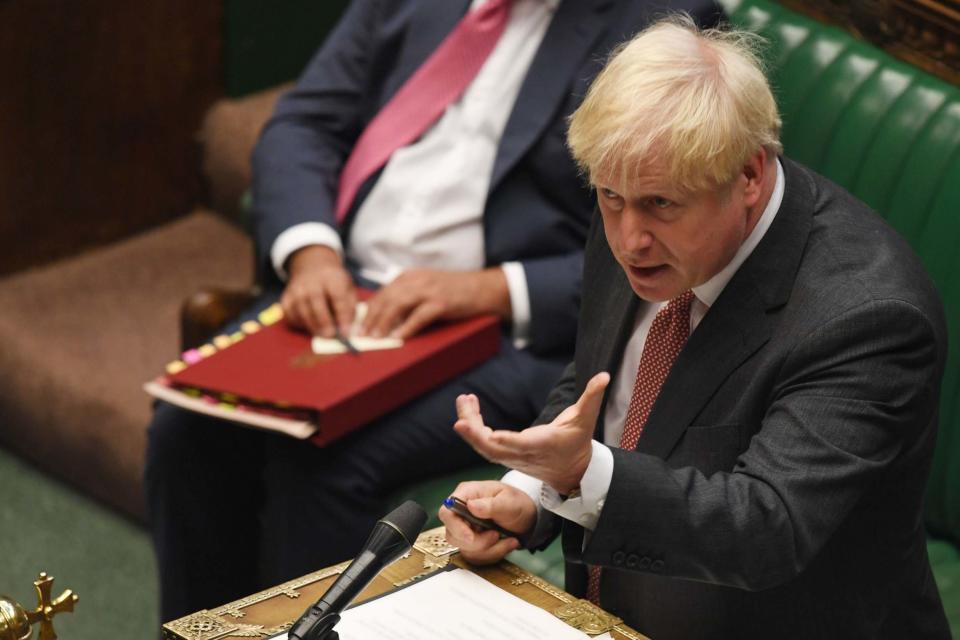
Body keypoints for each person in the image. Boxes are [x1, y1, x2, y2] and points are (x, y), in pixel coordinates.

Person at [145, 0, 724, 623]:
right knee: (185, 430)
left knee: (319, 463)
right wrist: (311, 251)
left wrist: (489, 290)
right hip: (345, 287)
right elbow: (305, 122)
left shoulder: (662, 20)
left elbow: (657, 243)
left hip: (503, 332)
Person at [442, 16, 952, 640]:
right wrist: (532, 493)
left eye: (662, 203)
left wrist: (579, 474)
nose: (629, 239)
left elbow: (767, 525)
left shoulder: (868, 317)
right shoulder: (634, 197)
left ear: (748, 175)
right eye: (609, 197)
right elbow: (606, 381)